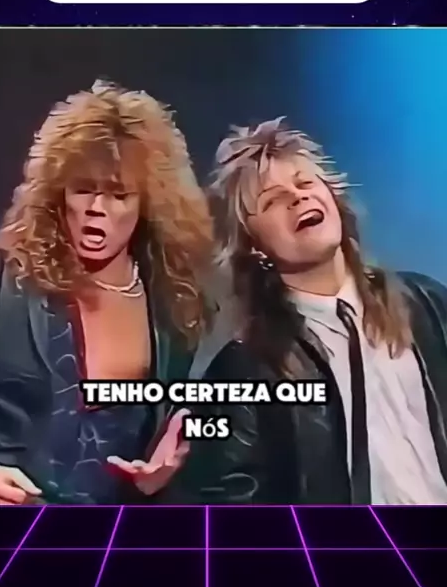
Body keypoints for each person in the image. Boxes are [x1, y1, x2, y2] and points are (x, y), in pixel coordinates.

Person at [0, 79, 214, 505]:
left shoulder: (172, 306)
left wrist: (172, 460)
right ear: (57, 191)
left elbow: (202, 423)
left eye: (118, 194)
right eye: (83, 189)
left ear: (148, 203)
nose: (97, 209)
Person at [181, 117, 447, 505]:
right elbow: (231, 498)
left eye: (305, 183)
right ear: (253, 245)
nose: (297, 197)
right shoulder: (245, 368)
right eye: (272, 200)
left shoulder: (426, 304)